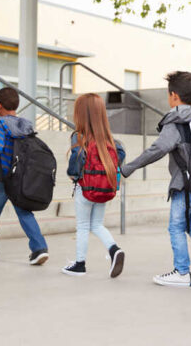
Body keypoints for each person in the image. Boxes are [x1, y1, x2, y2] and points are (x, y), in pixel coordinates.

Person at [121, 71, 191, 288]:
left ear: (174, 96)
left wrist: (129, 168)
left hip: (186, 185)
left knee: (176, 227)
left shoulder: (176, 121)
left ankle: (181, 272)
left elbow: (158, 148)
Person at [0, 87, 49, 265]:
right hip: (21, 176)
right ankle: (39, 248)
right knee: (24, 211)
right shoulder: (25, 124)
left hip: (2, 177)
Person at [62, 93, 125, 278]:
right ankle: (114, 250)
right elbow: (120, 156)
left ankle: (79, 264)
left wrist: (73, 175)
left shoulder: (79, 136)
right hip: (103, 188)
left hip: (85, 188)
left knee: (82, 226)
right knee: (97, 224)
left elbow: (76, 161)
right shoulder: (109, 139)